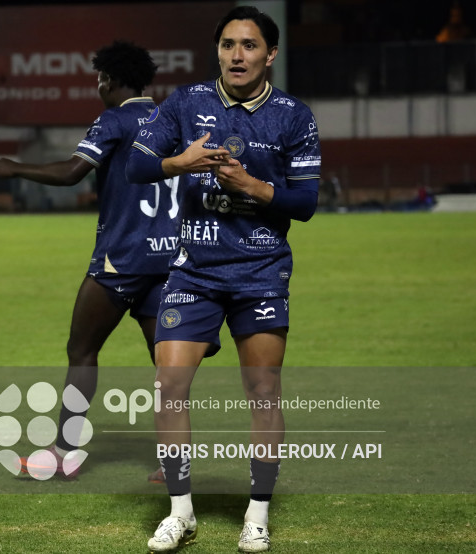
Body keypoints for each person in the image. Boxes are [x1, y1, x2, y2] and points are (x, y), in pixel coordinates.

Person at [127, 7, 321, 552]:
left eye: (250, 46)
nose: (238, 55)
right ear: (217, 50)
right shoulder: (186, 104)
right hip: (194, 270)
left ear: (271, 53)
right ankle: (181, 513)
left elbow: (305, 203)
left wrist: (255, 188)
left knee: (262, 391)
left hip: (260, 271)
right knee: (168, 387)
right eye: (229, 44)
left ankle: (256, 516)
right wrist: (179, 161)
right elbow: (134, 166)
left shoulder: (293, 116)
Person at [0, 41, 174, 478]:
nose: (97, 86)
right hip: (165, 261)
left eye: (99, 78)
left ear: (110, 79)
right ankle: (171, 459)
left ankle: (65, 453)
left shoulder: (115, 119)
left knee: (82, 350)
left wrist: (16, 167)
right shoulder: (171, 119)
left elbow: (72, 173)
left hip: (120, 261)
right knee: (166, 364)